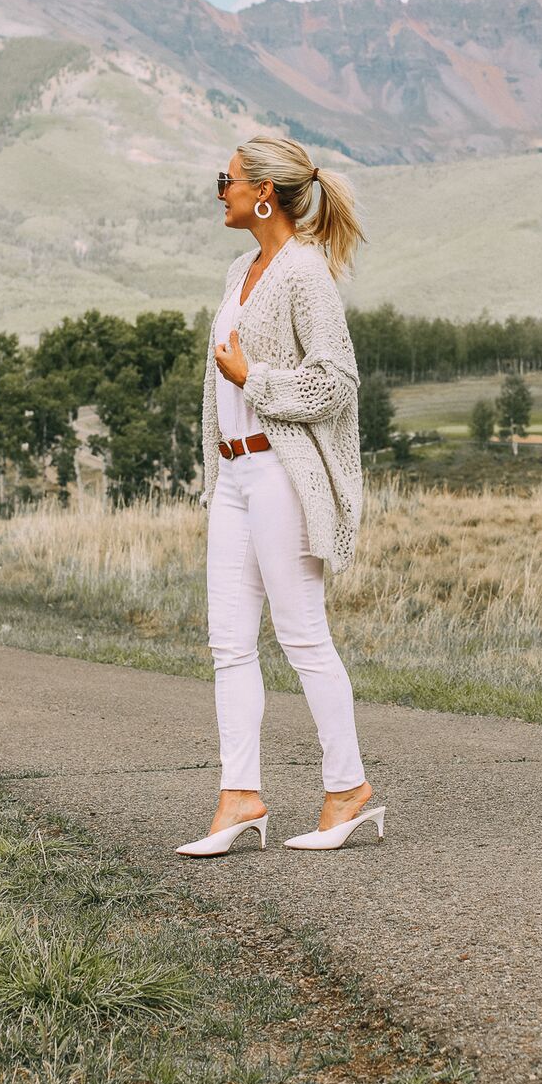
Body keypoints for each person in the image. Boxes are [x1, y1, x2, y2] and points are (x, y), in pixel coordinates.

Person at [175, 135, 386, 857]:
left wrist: (252, 381)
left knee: (301, 637)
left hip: (280, 476)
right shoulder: (240, 269)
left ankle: (347, 789)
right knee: (227, 645)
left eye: (225, 179)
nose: (219, 190)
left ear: (262, 190)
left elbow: (335, 385)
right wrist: (216, 465)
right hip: (233, 477)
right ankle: (239, 798)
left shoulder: (302, 273)